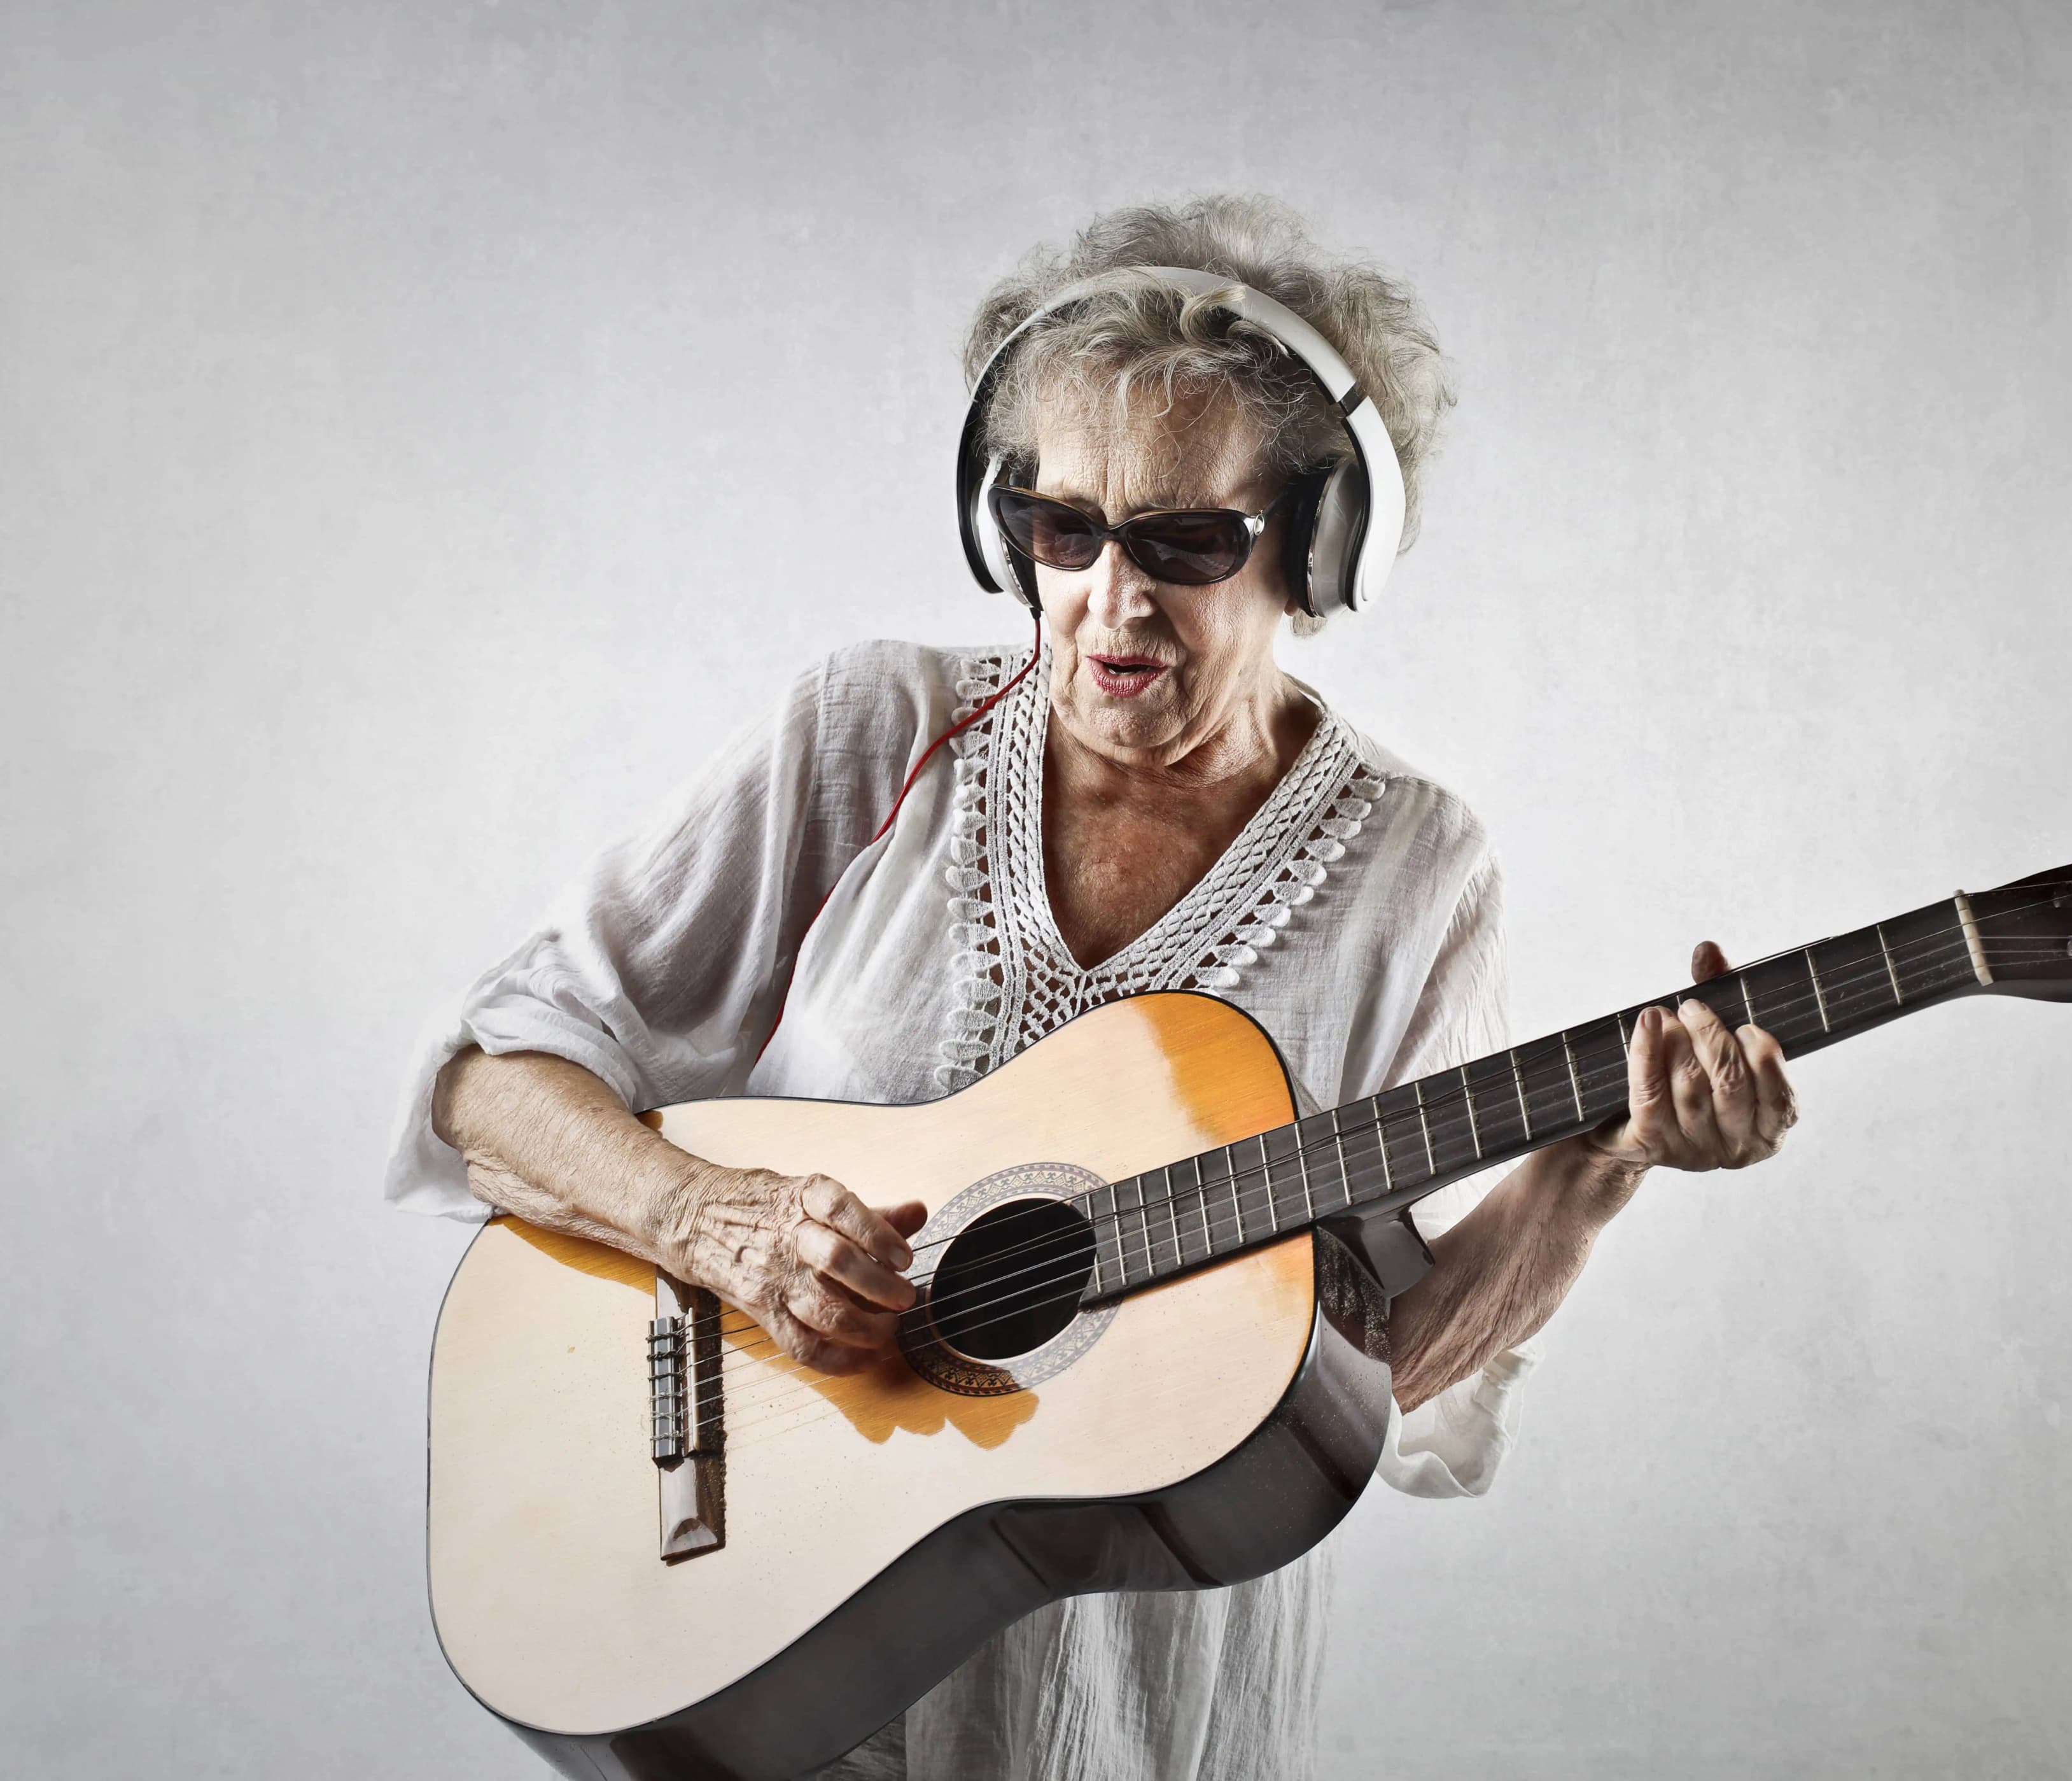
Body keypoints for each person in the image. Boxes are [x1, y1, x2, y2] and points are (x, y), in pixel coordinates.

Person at [388, 194, 1798, 1780]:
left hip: (1111, 1715)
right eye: (1066, 530)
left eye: (1188, 542)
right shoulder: (870, 732)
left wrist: (1592, 1171)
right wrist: (717, 1221)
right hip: (758, 1622)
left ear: (1320, 551)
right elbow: (492, 1086)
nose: (1111, 601)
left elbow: (1373, 1364)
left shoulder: (1418, 865)